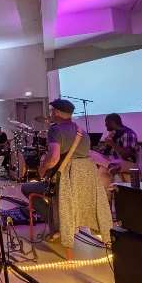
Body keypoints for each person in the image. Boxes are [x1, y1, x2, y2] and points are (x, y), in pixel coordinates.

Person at [20, 99, 91, 240]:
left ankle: (59, 225)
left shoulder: (55, 130)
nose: (50, 113)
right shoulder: (83, 132)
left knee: (26, 188)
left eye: (52, 111)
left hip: (61, 185)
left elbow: (53, 158)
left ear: (57, 112)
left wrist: (42, 169)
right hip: (80, 186)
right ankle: (66, 221)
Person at [88, 113, 138, 191]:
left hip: (127, 162)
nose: (105, 125)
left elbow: (126, 154)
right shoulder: (114, 133)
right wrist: (104, 148)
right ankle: (110, 165)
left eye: (106, 123)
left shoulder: (128, 134)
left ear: (111, 122)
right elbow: (108, 151)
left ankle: (106, 196)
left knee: (102, 170)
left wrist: (112, 144)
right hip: (112, 161)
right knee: (89, 152)